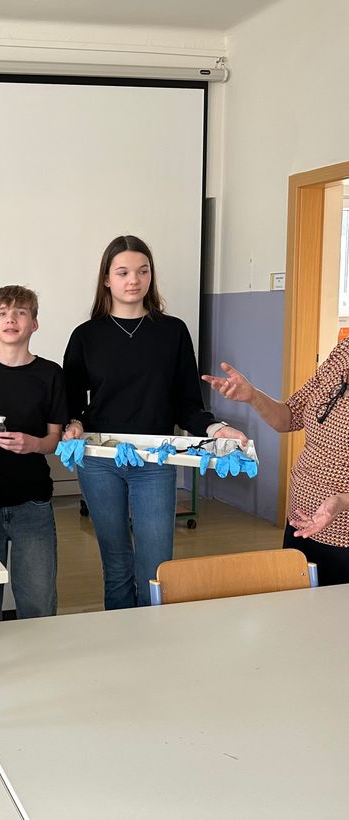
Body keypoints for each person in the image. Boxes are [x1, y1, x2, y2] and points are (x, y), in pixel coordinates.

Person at [63, 234, 246, 609]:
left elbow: (187, 403)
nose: (134, 280)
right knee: (116, 563)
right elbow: (70, 403)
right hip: (100, 461)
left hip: (155, 461)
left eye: (143, 271)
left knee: (156, 567)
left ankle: (153, 636)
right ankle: (122, 634)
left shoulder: (172, 331)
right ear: (107, 279)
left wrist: (215, 429)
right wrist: (73, 424)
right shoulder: (86, 336)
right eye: (123, 272)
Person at [0, 285, 67, 622]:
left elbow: (54, 439)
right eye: (3, 313)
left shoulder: (50, 374)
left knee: (37, 604)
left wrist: (33, 444)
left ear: (34, 323)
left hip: (32, 505)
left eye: (20, 313)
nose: (11, 319)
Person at [203, 350, 349, 584]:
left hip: (343, 534)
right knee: (296, 602)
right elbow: (289, 417)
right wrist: (252, 396)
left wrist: (341, 501)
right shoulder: (341, 355)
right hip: (301, 519)